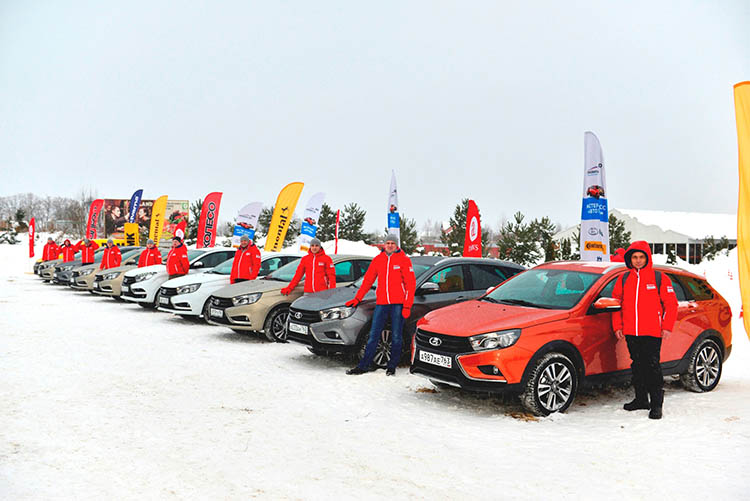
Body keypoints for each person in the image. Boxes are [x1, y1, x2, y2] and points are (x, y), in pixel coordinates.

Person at [612, 240, 678, 420]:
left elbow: (671, 304)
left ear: (647, 258)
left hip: (652, 331)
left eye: (641, 257)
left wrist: (667, 327)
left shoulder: (659, 278)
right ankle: (641, 399)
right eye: (635, 257)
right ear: (630, 259)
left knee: (652, 366)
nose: (638, 260)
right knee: (637, 365)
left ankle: (656, 404)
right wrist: (618, 326)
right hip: (631, 331)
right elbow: (616, 304)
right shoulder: (623, 279)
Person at [345, 234, 416, 376]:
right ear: (384, 245)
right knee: (374, 335)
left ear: (396, 245)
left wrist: (407, 305)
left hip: (398, 304)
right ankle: (364, 365)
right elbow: (368, 281)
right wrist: (358, 298)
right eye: (387, 243)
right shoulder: (378, 260)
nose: (390, 245)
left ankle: (392, 366)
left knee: (396, 336)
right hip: (382, 303)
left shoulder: (404, 260)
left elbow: (410, 284)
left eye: (392, 243)